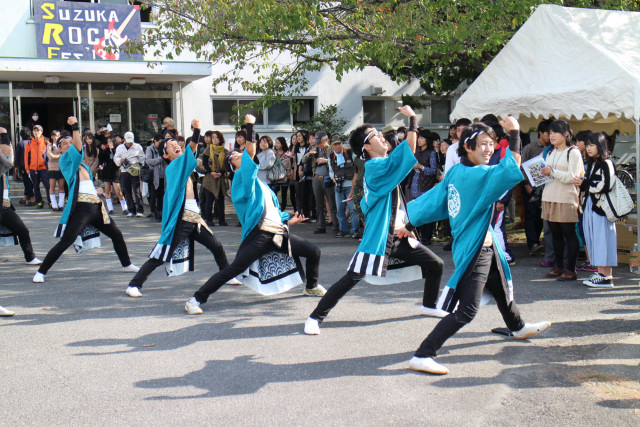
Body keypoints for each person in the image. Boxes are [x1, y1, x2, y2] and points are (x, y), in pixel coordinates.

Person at [404, 119, 550, 375]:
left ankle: (517, 327)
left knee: (501, 289)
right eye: (483, 144)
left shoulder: (456, 172)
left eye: (491, 144)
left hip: (481, 241)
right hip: (475, 247)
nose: (489, 149)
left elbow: (434, 201)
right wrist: (515, 132)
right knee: (467, 311)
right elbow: (511, 168)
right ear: (467, 147)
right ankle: (423, 354)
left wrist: (409, 221)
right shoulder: (478, 174)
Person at [304, 106, 446, 335]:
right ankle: (314, 317)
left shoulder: (382, 164)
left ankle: (429, 306)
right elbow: (409, 150)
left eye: (379, 133)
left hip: (397, 234)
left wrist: (405, 226)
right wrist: (412, 119)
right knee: (352, 277)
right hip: (379, 237)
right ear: (367, 147)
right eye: (374, 135)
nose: (381, 136)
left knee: (435, 264)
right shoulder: (376, 166)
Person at [185, 114, 326, 315]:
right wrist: (250, 125)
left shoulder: (260, 184)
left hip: (277, 232)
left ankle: (311, 286)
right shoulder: (241, 179)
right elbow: (251, 152)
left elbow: (270, 210)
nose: (239, 155)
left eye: (240, 154)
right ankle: (196, 299)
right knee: (233, 269)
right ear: (233, 166)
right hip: (259, 235)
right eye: (235, 156)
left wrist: (289, 221)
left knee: (313, 251)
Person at [125, 120, 232, 297]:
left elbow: (190, 153)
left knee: (217, 246)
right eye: (170, 145)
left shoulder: (182, 165)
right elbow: (192, 149)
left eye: (176, 143)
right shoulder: (174, 167)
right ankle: (134, 285)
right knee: (162, 254)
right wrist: (197, 130)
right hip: (182, 220)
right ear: (165, 155)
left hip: (194, 219)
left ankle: (226, 274)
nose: (176, 145)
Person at [33, 117, 139, 284]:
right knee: (66, 241)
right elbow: (76, 148)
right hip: (81, 207)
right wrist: (75, 127)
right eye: (64, 144)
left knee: (117, 234)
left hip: (96, 206)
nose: (69, 145)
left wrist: (96, 191)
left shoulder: (83, 166)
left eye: (70, 142)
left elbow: (84, 180)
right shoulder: (64, 161)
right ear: (59, 149)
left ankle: (126, 264)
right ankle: (41, 272)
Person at [540, 120, 584, 281]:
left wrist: (551, 172)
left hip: (566, 198)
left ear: (566, 134)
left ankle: (570, 269)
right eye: (550, 133)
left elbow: (572, 177)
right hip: (549, 196)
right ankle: (558, 266)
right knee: (555, 234)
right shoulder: (551, 152)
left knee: (569, 233)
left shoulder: (573, 152)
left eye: (555, 132)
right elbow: (549, 174)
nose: (551, 136)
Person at [579, 132, 617, 288]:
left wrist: (585, 185)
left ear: (600, 146)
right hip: (592, 206)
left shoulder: (607, 163)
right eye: (587, 145)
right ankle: (602, 273)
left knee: (603, 239)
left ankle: (605, 276)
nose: (588, 148)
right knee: (595, 239)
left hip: (602, 208)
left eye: (592, 145)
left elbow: (606, 186)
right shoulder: (593, 164)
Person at [0, 129, 42, 266]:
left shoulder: (3, 166)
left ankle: (30, 257)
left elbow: (7, 156)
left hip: (5, 207)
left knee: (23, 230)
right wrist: (3, 135)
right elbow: (6, 153)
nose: (7, 153)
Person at [405, 129, 439, 245]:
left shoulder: (431, 153)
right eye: (418, 138)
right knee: (416, 209)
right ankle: (417, 234)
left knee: (426, 210)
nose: (419, 140)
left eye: (421, 138)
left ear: (427, 140)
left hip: (426, 185)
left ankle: (426, 236)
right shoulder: (417, 152)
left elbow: (433, 170)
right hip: (415, 182)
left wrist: (421, 167)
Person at [303, 131, 338, 234]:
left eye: (321, 142)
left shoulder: (331, 149)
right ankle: (321, 226)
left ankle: (336, 226)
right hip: (316, 177)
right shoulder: (316, 149)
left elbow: (337, 160)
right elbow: (304, 160)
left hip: (328, 178)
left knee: (332, 204)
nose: (319, 144)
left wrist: (326, 160)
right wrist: (309, 154)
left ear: (327, 140)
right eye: (318, 142)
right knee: (319, 204)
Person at [329, 135, 359, 238]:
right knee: (339, 209)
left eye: (339, 144)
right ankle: (343, 230)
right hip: (338, 186)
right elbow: (330, 171)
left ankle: (355, 230)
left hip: (350, 184)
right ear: (332, 146)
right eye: (335, 144)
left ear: (342, 144)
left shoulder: (350, 153)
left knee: (353, 208)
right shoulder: (331, 156)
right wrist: (333, 178)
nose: (338, 146)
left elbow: (357, 167)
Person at [114, 131, 146, 217]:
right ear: (124, 140)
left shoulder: (137, 147)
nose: (129, 144)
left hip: (134, 170)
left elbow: (142, 158)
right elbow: (116, 158)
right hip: (124, 171)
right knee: (127, 191)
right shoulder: (120, 148)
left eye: (130, 142)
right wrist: (121, 160)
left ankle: (140, 210)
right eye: (128, 142)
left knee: (136, 191)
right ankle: (131, 210)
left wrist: (139, 165)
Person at [201, 130, 229, 226]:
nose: (214, 139)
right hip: (209, 178)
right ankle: (209, 220)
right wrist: (211, 172)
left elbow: (226, 165)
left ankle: (222, 220)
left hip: (221, 178)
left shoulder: (225, 151)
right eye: (213, 137)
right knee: (209, 200)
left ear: (220, 139)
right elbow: (204, 163)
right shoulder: (208, 150)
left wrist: (221, 172)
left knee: (220, 200)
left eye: (216, 137)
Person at [98, 136, 128, 215]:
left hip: (115, 171)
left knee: (118, 191)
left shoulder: (117, 149)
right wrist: (103, 150)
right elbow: (101, 159)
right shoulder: (105, 150)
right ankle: (110, 208)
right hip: (106, 171)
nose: (109, 143)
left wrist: (113, 149)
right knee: (107, 191)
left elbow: (117, 159)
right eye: (108, 142)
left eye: (111, 141)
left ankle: (125, 208)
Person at [24, 124, 49, 209]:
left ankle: (50, 201)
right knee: (35, 186)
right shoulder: (29, 143)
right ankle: (39, 202)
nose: (36, 132)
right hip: (33, 168)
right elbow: (26, 157)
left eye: (38, 131)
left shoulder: (46, 141)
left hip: (44, 168)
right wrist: (27, 168)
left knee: (47, 185)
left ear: (41, 132)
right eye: (35, 130)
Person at [292, 130, 314, 219]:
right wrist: (296, 171)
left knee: (307, 194)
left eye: (299, 136)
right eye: (297, 136)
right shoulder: (296, 147)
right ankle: (299, 211)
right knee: (298, 193)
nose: (298, 138)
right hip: (298, 169)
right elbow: (294, 160)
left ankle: (308, 212)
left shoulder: (308, 147)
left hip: (307, 170)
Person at [146, 133, 166, 221]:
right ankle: (153, 211)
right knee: (154, 194)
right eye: (160, 142)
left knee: (161, 194)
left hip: (163, 175)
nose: (161, 144)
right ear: (155, 141)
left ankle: (160, 210)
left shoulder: (164, 149)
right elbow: (148, 161)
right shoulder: (150, 149)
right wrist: (160, 159)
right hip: (154, 175)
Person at [46, 130, 66, 212]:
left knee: (61, 186)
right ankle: (54, 205)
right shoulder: (49, 145)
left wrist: (56, 156)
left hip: (61, 168)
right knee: (52, 187)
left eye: (57, 135)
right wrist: (60, 155)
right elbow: (50, 157)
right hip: (52, 168)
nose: (55, 137)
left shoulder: (62, 145)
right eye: (54, 136)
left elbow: (65, 155)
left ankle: (61, 204)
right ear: (51, 137)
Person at [15, 128, 35, 206]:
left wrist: (16, 166)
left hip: (24, 165)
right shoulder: (32, 142)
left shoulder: (20, 144)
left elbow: (17, 156)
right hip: (33, 165)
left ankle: (32, 199)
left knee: (27, 182)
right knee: (30, 182)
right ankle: (24, 197)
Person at [273, 137, 292, 211]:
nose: (277, 144)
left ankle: (283, 209)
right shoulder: (273, 153)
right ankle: (275, 208)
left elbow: (288, 165)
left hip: (284, 176)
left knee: (284, 194)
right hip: (275, 176)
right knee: (274, 193)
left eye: (278, 143)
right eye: (276, 142)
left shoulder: (287, 154)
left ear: (282, 144)